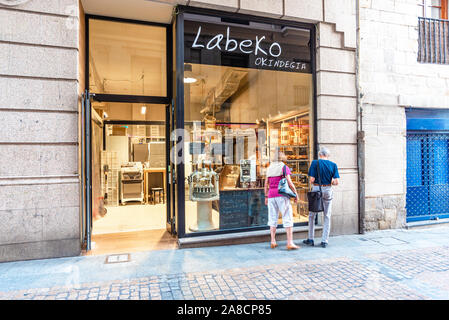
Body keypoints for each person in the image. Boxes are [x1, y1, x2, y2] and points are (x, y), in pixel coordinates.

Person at [303, 146, 340, 248]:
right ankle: (324, 240)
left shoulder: (315, 163)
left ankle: (311, 239)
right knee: (327, 215)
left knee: (312, 215)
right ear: (327, 155)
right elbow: (336, 182)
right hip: (328, 190)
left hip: (316, 190)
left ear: (320, 154)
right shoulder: (333, 165)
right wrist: (329, 181)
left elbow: (311, 179)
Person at [264, 150, 300, 250]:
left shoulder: (269, 168)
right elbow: (289, 182)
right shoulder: (284, 167)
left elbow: (266, 184)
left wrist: (266, 196)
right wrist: (295, 193)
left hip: (271, 196)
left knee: (272, 218)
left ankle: (273, 241)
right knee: (287, 217)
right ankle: (289, 242)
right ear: (282, 157)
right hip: (281, 195)